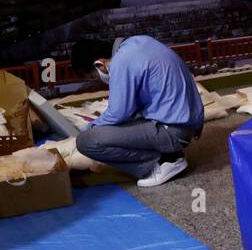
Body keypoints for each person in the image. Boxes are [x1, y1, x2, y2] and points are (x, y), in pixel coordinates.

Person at [71, 36, 205, 188]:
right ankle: (168, 155)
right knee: (119, 123)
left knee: (87, 141)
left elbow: (118, 112)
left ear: (99, 64)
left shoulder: (121, 61)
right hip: (184, 125)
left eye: (93, 76)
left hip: (173, 131)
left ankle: (162, 162)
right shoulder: (138, 42)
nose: (99, 79)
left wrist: (90, 127)